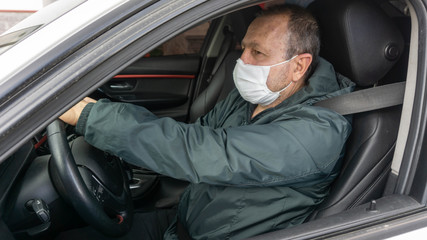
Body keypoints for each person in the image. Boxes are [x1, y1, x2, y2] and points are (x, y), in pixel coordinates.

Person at [60, 4, 355, 240]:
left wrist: (90, 116)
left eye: (258, 52)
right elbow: (196, 135)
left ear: (298, 66)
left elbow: (211, 153)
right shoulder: (254, 98)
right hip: (183, 222)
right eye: (244, 48)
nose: (243, 62)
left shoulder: (318, 132)